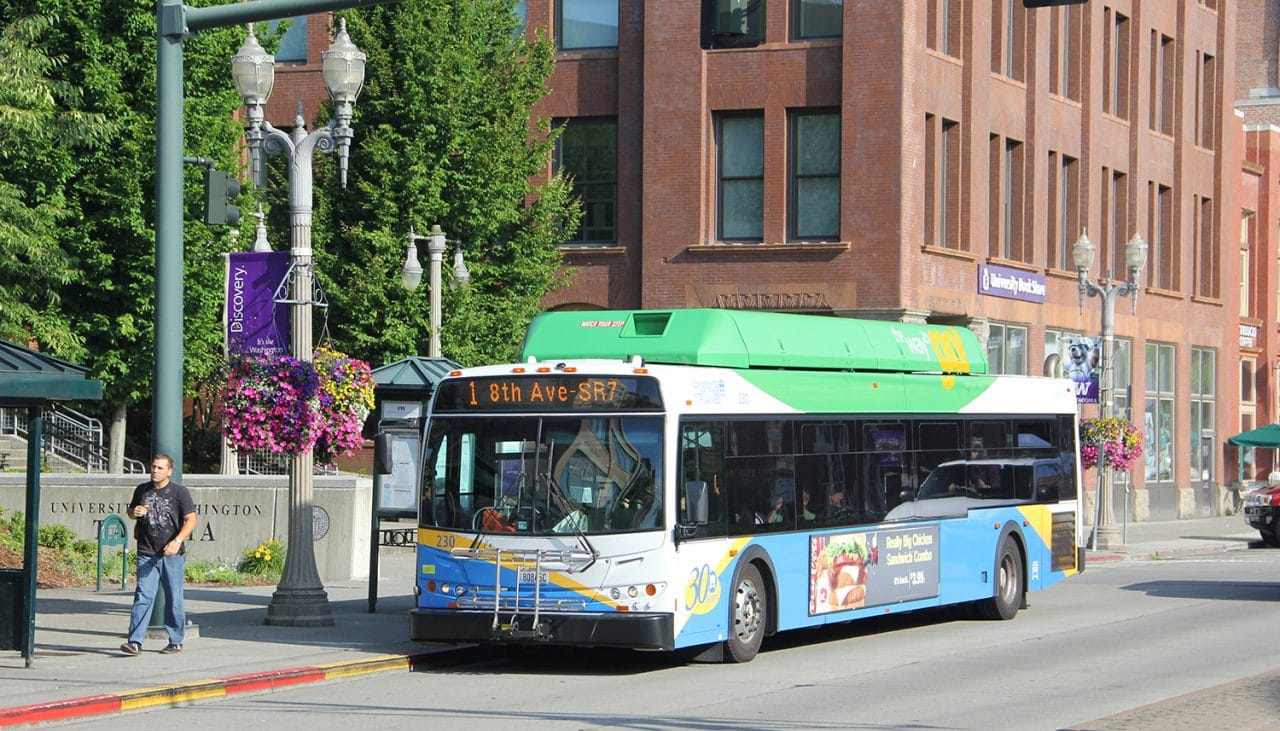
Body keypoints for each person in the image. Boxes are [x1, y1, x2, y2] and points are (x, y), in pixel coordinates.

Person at [120, 454, 196, 656]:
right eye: (153, 467)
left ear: (169, 471)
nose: (155, 471)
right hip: (146, 551)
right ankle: (135, 642)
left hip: (171, 554)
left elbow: (190, 520)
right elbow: (130, 511)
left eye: (160, 468)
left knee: (174, 597)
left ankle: (176, 640)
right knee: (143, 596)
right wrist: (133, 512)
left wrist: (177, 541)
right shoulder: (142, 489)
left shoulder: (180, 492)